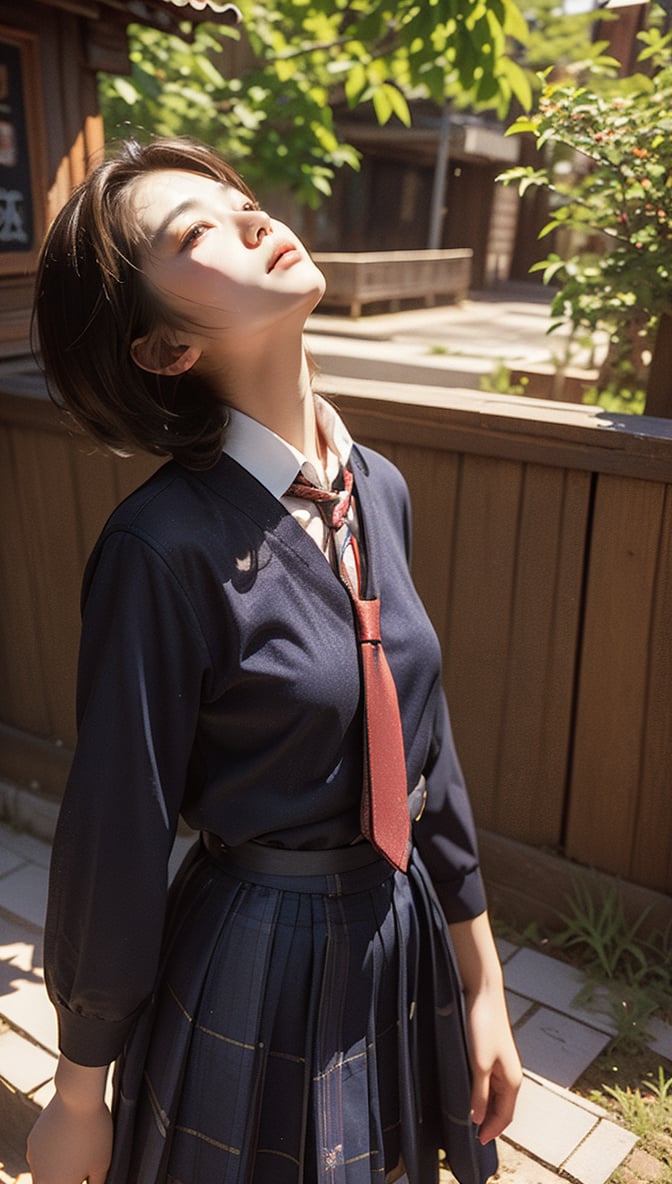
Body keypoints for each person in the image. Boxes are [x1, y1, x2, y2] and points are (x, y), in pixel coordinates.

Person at [26, 137, 521, 1184]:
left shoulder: (376, 485)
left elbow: (426, 743)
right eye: (194, 231)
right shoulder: (160, 548)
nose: (251, 218)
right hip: (257, 956)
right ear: (162, 350)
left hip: (401, 932)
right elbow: (118, 824)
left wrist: (483, 987)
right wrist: (78, 1093)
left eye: (239, 200)